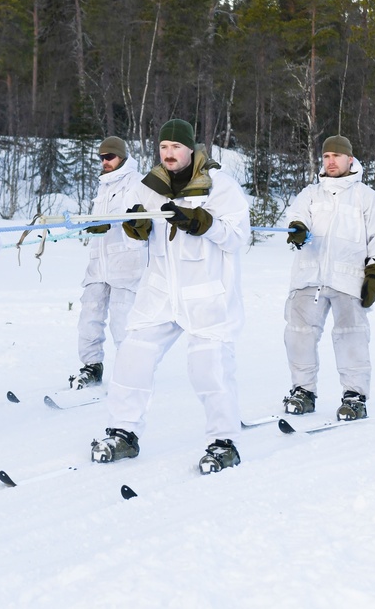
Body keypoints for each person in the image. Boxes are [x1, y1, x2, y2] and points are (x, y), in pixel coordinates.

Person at [90, 119, 250, 474]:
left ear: (190, 148)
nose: (169, 153)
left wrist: (201, 222)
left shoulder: (219, 186)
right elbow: (138, 226)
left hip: (206, 293)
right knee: (132, 358)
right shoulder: (149, 188)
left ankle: (224, 441)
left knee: (208, 368)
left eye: (176, 147)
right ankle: (123, 433)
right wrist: (136, 227)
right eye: (163, 147)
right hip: (160, 292)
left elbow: (239, 236)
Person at [281, 135, 375, 421]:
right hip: (309, 277)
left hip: (348, 279)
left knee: (351, 337)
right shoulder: (311, 193)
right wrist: (296, 228)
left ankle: (354, 397)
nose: (331, 161)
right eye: (326, 156)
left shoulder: (366, 197)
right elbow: (296, 216)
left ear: (350, 160)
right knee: (298, 335)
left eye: (336, 156)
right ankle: (303, 392)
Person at [69, 136, 147, 389]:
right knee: (89, 317)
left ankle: (130, 370)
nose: (104, 161)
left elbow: (140, 218)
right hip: (98, 263)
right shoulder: (103, 186)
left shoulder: (137, 183)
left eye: (109, 157)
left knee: (122, 321)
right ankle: (91, 366)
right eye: (101, 157)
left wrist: (109, 221)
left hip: (125, 262)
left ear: (122, 156)